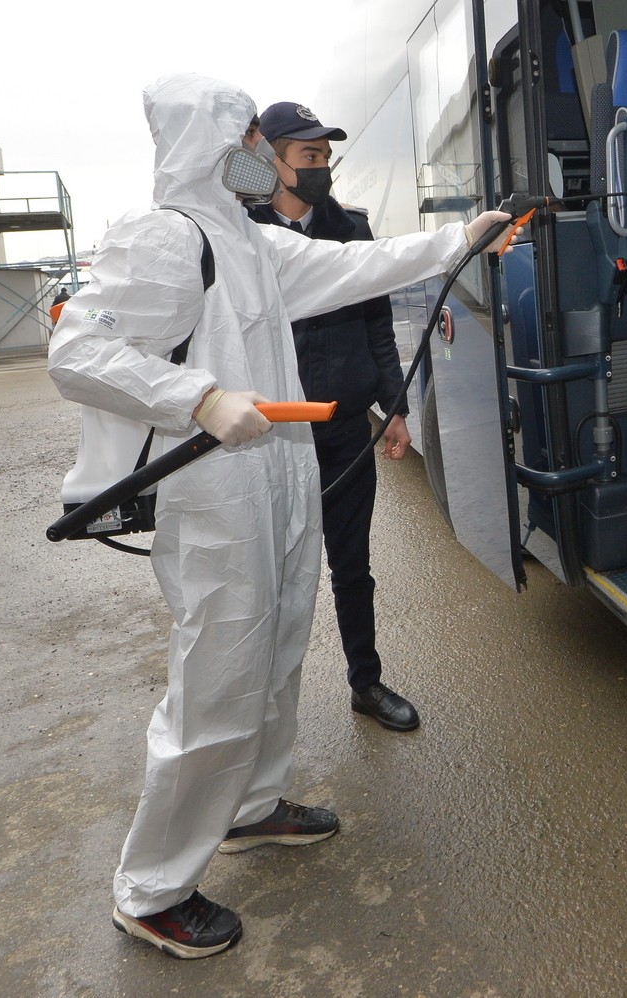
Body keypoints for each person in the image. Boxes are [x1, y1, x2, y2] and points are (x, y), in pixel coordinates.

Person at [47, 73, 514, 960]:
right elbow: (79, 350)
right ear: (208, 146)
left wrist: (462, 237)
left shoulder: (250, 241)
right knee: (216, 681)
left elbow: (353, 266)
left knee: (278, 649)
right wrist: (195, 395)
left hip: (280, 479)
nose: (266, 154)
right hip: (215, 494)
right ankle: (151, 888)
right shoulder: (166, 238)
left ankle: (254, 805)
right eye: (251, 137)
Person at [245, 101, 420, 733]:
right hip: (265, 438)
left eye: (325, 157)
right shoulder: (239, 237)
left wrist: (393, 407)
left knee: (353, 565)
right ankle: (256, 699)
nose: (321, 168)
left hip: (343, 429)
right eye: (308, 157)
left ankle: (366, 684)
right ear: (273, 160)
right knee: (267, 575)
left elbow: (378, 325)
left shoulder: (351, 229)